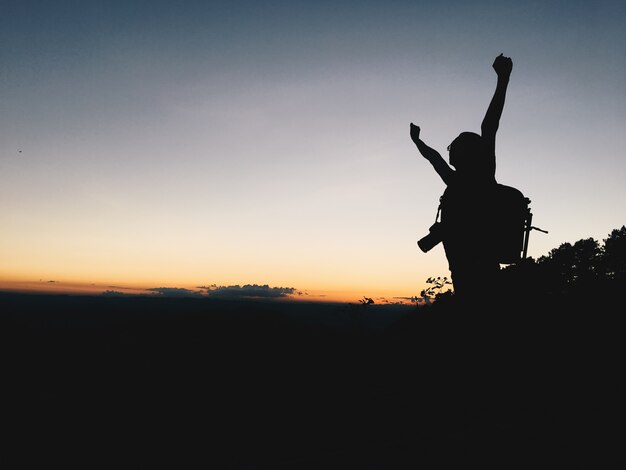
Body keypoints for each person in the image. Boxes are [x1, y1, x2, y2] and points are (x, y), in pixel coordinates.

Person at [410, 53, 513, 303]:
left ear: (466, 152)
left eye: (455, 147)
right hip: (465, 268)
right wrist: (418, 141)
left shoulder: (480, 176)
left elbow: (490, 126)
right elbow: (434, 158)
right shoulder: (460, 181)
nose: (451, 151)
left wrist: (503, 80)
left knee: (480, 310)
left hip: (477, 267)